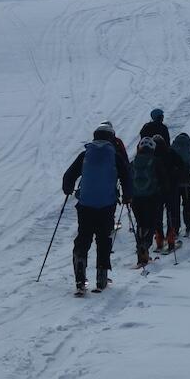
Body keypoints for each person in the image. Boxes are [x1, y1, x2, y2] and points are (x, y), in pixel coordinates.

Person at [62, 122, 132, 294]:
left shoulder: (85, 154)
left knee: (83, 237)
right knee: (103, 238)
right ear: (111, 138)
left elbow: (69, 175)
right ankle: (101, 278)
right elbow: (127, 176)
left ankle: (80, 274)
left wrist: (68, 188)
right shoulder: (114, 156)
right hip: (107, 204)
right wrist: (127, 196)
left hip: (85, 204)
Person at [129, 136, 165, 266]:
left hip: (136, 199)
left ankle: (140, 250)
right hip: (152, 197)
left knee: (140, 224)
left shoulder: (133, 162)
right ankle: (145, 245)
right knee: (151, 223)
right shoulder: (155, 161)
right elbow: (163, 179)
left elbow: (128, 178)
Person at [170, 131, 190, 235]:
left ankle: (175, 228)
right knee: (187, 203)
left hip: (175, 181)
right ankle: (188, 225)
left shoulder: (172, 148)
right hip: (187, 180)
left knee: (175, 205)